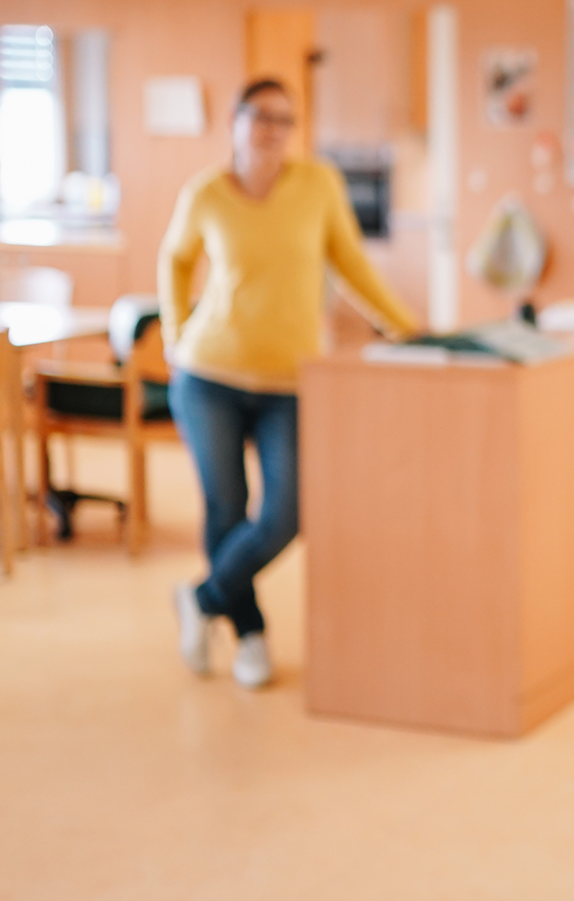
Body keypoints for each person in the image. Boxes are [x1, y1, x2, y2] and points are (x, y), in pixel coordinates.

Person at [158, 78, 419, 688]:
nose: (272, 129)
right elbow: (174, 258)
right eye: (260, 116)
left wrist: (406, 326)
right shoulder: (205, 194)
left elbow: (351, 261)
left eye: (284, 119)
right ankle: (250, 636)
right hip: (209, 375)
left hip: (290, 380)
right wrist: (175, 333)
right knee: (226, 509)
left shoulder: (316, 185)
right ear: (235, 121)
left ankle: (200, 598)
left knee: (286, 514)